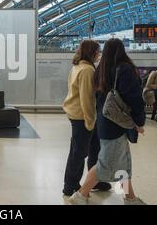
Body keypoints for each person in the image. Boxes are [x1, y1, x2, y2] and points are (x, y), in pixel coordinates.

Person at [69, 38, 146, 205]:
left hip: (105, 122)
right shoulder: (124, 69)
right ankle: (80, 196)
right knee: (104, 164)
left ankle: (130, 198)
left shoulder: (100, 70)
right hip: (117, 125)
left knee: (123, 165)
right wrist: (139, 121)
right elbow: (134, 98)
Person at [62, 40, 111, 197]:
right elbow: (87, 99)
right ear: (92, 53)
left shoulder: (78, 67)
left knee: (93, 150)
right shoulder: (87, 70)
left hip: (79, 115)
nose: (99, 54)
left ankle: (95, 180)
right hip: (82, 117)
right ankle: (70, 186)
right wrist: (90, 122)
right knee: (79, 153)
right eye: (98, 51)